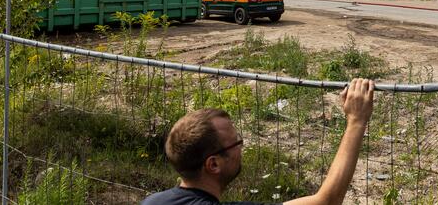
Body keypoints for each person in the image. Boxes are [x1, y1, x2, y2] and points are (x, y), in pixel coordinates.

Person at [142, 78, 375, 205]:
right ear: (213, 164)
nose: (242, 147)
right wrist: (356, 121)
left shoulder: (151, 202)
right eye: (236, 143)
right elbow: (327, 202)